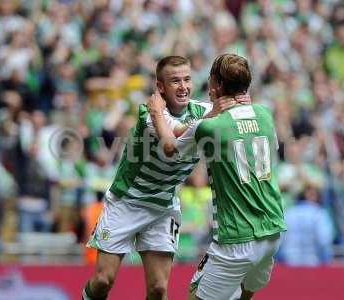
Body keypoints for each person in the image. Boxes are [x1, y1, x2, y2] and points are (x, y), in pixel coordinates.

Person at [82, 55, 249, 300]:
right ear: (160, 87)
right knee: (102, 282)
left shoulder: (203, 110)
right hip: (126, 202)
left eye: (187, 79)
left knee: (159, 290)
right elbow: (176, 135)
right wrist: (216, 113)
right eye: (175, 81)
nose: (183, 86)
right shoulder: (151, 113)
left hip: (163, 207)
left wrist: (241, 104)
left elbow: (230, 119)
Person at [148, 53, 287, 300]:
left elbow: (170, 147)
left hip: (236, 238)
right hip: (272, 232)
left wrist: (157, 112)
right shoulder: (265, 114)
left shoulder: (211, 127)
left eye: (211, 81)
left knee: (195, 295)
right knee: (245, 294)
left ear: (218, 84)